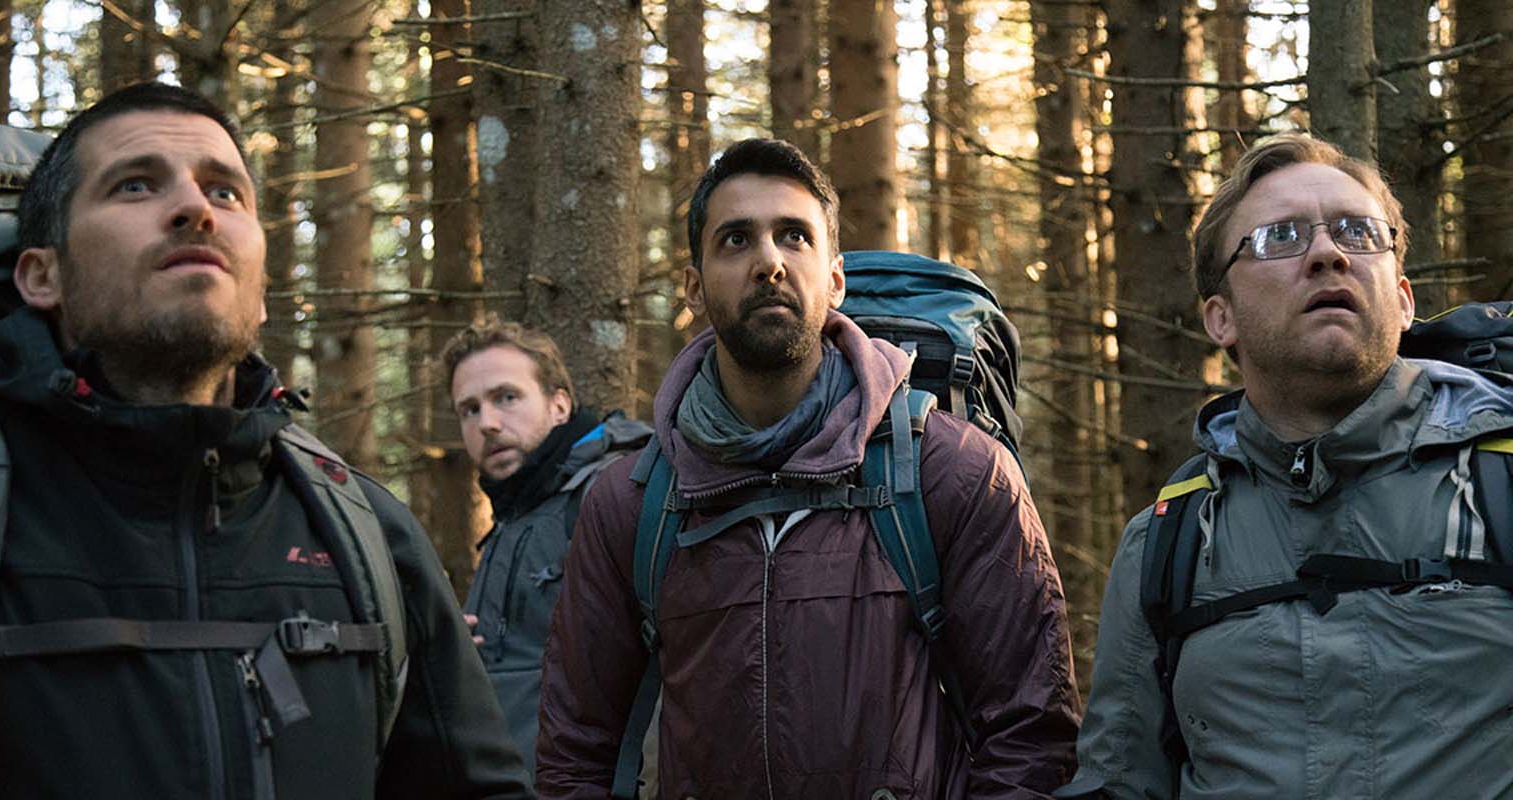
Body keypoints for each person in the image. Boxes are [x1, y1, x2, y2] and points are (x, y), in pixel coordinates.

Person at [0, 82, 531, 799]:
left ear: (262, 290)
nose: (196, 209)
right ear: (43, 275)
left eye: (225, 193)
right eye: (135, 185)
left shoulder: (366, 532)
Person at [537, 138, 1081, 798]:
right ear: (693, 287)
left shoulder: (953, 471)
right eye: (736, 240)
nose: (769, 262)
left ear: (836, 279)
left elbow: (1031, 739)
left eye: (794, 236)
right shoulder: (633, 504)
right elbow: (576, 752)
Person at [1059, 132, 1513, 798]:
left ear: (1404, 299)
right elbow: (1118, 783)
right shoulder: (1169, 539)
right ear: (1221, 319)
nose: (1329, 254)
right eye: (1281, 237)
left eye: (1359, 233)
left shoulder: (1498, 481)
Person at [443, 318, 650, 778]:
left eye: (506, 397)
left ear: (559, 405)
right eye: (469, 410)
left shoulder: (613, 496)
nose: (487, 423)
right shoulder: (511, 521)